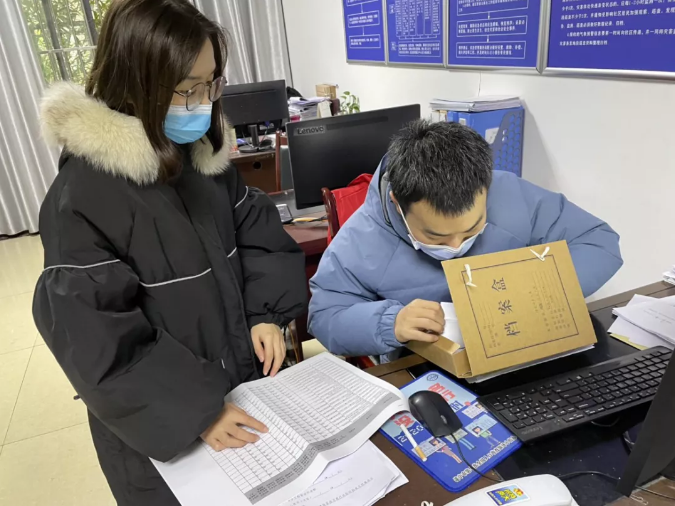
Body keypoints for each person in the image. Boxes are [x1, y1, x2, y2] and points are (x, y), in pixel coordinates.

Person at [33, 1, 307, 504]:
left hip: (240, 387)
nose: (203, 103)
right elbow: (96, 340)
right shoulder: (83, 197)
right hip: (162, 426)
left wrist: (264, 316)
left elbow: (259, 237)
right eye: (187, 89)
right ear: (135, 81)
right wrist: (197, 413)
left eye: (211, 84)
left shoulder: (204, 161)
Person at [308, 120, 622, 358]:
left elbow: (597, 241)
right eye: (435, 236)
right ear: (397, 203)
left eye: (472, 230)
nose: (457, 246)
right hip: (426, 364)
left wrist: (534, 291)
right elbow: (325, 316)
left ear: (487, 188)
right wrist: (390, 323)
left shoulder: (511, 194)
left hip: (522, 344)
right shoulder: (360, 238)